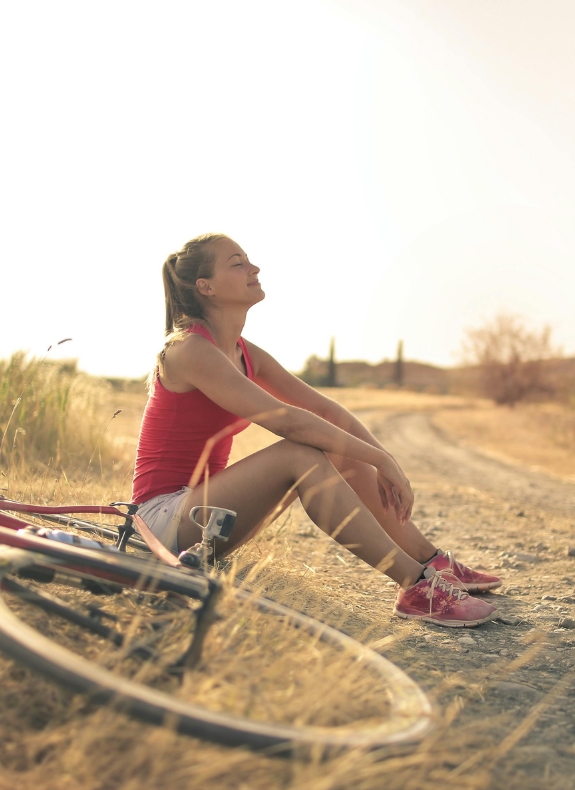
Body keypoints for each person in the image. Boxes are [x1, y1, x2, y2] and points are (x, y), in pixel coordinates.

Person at [131, 233, 502, 628]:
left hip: (209, 517)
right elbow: (286, 419)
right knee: (300, 452)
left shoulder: (244, 352)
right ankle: (415, 585)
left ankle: (432, 563)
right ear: (205, 287)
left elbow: (323, 408)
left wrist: (382, 460)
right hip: (161, 521)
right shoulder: (188, 350)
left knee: (340, 446)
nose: (253, 268)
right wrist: (378, 458)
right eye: (237, 263)